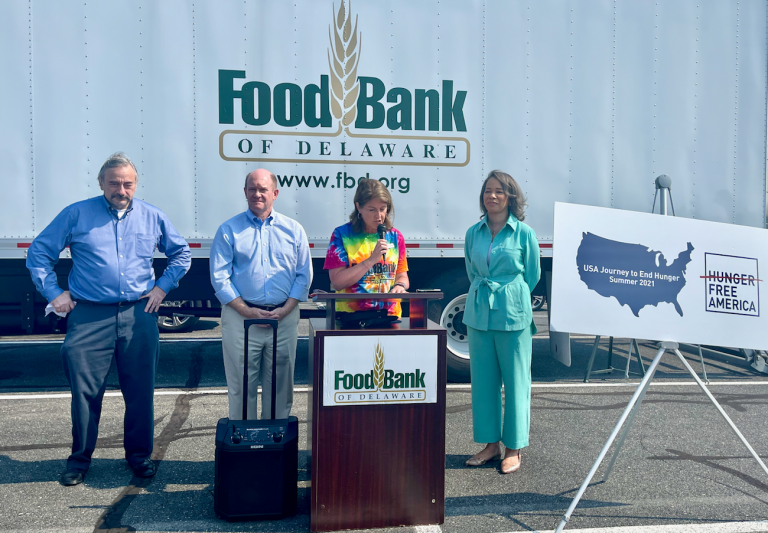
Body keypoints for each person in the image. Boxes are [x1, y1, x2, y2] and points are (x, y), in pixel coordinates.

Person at [26, 152, 191, 486]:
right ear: (101, 183)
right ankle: (79, 460)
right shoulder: (76, 214)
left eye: (127, 183)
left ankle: (139, 456)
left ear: (135, 184)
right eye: (114, 182)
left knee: (141, 390)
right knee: (85, 392)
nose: (121, 189)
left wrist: (161, 288)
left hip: (139, 314)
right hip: (89, 316)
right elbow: (38, 253)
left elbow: (181, 254)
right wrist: (54, 293)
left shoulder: (152, 216)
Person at [210, 169, 312, 421]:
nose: (257, 194)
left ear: (275, 193)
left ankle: (275, 449)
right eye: (252, 189)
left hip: (284, 317)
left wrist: (287, 309)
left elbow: (303, 275)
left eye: (263, 189)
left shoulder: (294, 230)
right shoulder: (228, 230)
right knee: (241, 388)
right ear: (245, 192)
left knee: (280, 388)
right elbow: (219, 277)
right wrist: (245, 310)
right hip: (241, 318)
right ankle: (244, 451)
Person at [463, 170, 540, 474]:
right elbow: (472, 270)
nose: (492, 196)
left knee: (517, 382)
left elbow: (531, 275)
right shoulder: (473, 233)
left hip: (513, 314)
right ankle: (490, 445)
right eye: (487, 191)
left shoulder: (524, 233)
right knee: (483, 383)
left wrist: (511, 294)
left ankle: (514, 447)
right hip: (479, 314)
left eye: (499, 191)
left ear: (511, 197)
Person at [323, 179, 409, 317]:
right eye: (372, 210)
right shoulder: (342, 235)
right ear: (359, 207)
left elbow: (402, 276)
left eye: (382, 209)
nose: (379, 216)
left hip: (389, 316)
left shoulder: (395, 236)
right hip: (351, 317)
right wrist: (370, 261)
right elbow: (337, 282)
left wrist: (400, 286)